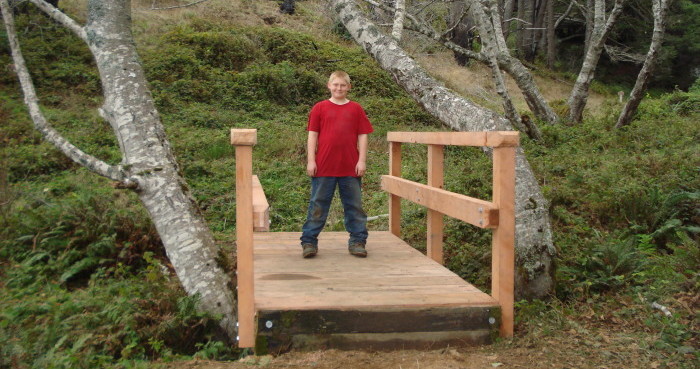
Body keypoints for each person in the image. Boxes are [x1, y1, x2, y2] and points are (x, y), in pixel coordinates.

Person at [300, 71, 374, 258]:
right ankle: (309, 241)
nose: (339, 88)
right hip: (323, 166)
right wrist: (311, 160)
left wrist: (362, 160)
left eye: (343, 85)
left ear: (349, 87)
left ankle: (358, 240)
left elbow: (363, 135)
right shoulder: (319, 108)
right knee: (318, 205)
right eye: (336, 85)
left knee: (354, 206)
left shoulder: (356, 109)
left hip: (350, 167)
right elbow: (312, 135)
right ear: (329, 85)